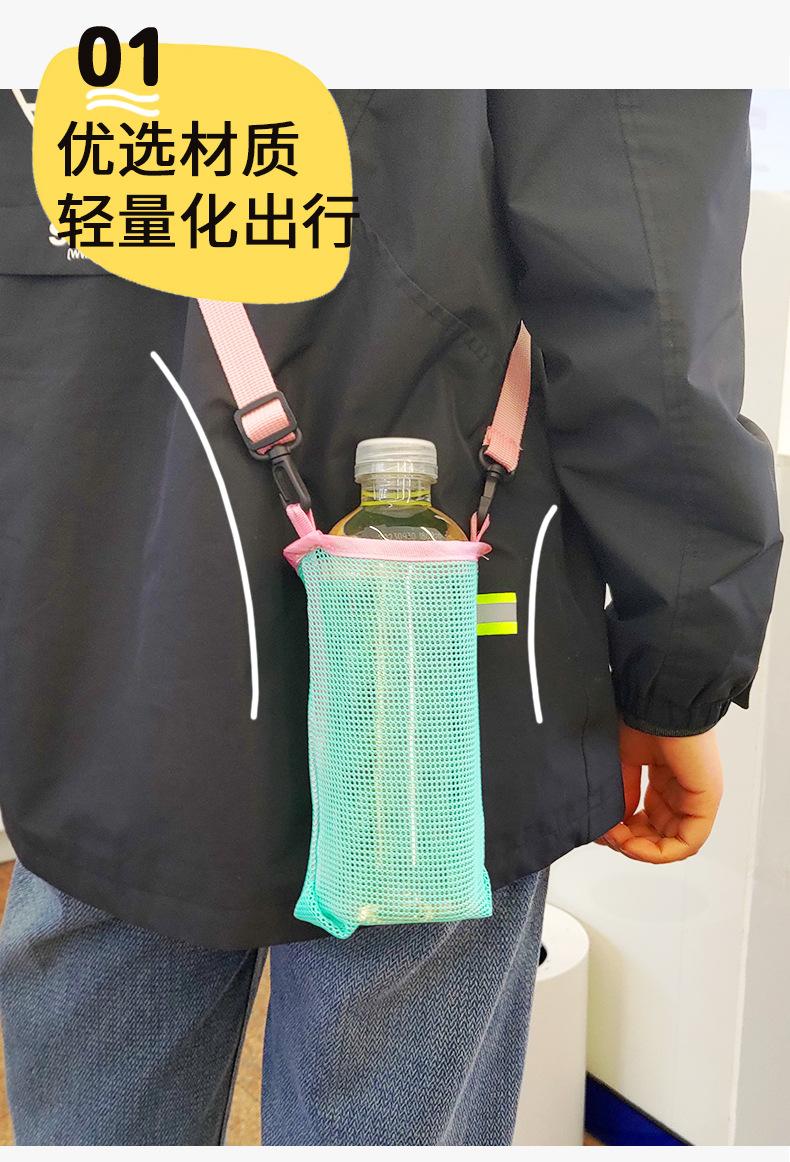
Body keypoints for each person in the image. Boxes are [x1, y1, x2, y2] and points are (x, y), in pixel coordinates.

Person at [0, 89, 781, 1146]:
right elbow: (642, 255)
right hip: (437, 655)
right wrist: (677, 659)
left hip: (94, 620)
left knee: (98, 1051)